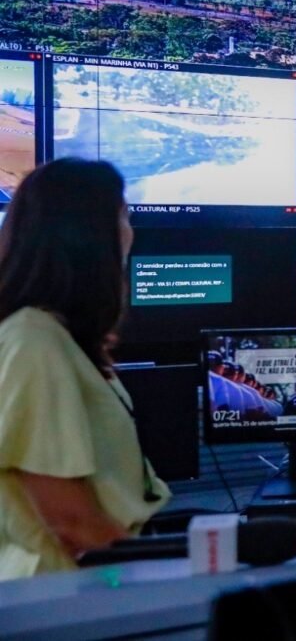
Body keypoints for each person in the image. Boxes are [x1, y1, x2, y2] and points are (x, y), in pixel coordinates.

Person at [0, 158, 170, 579]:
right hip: (64, 592)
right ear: (90, 235)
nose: (130, 232)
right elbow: (71, 521)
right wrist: (144, 585)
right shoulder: (34, 342)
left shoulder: (54, 337)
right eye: (124, 216)